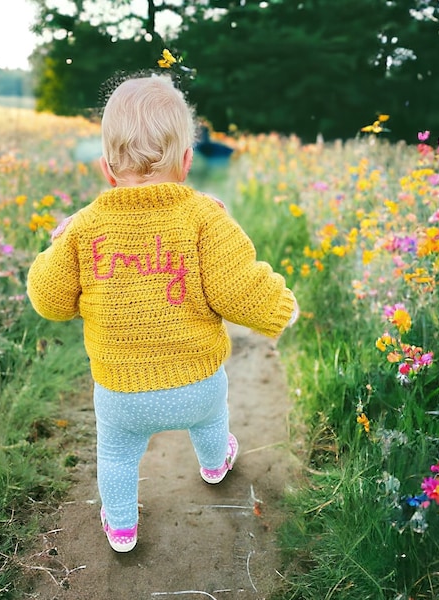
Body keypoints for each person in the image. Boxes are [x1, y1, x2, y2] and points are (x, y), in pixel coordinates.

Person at [26, 74, 298, 553]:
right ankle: (215, 464)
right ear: (188, 161)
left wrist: (56, 244)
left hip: (120, 393)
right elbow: (240, 290)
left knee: (115, 455)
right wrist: (281, 306)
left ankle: (123, 528)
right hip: (197, 385)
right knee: (214, 420)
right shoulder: (206, 218)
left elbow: (50, 301)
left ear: (107, 168)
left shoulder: (83, 230)